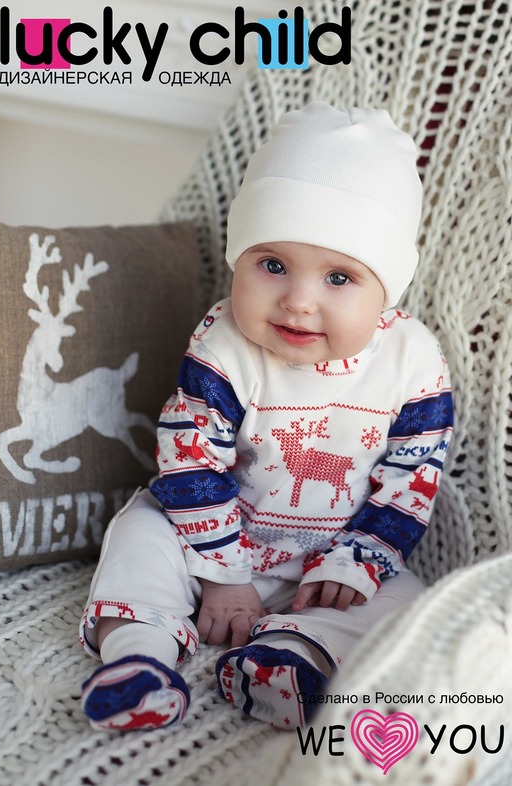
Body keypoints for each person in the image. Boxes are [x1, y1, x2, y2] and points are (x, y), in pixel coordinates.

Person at [80, 103, 453, 732]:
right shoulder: (225, 341)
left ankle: (294, 656)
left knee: (406, 605)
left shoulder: (412, 361)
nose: (299, 301)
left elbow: (411, 480)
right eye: (272, 265)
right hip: (210, 534)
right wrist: (222, 575)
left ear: (387, 290)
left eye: (339, 277)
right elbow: (191, 460)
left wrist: (356, 562)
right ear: (239, 259)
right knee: (140, 535)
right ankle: (138, 656)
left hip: (324, 563)